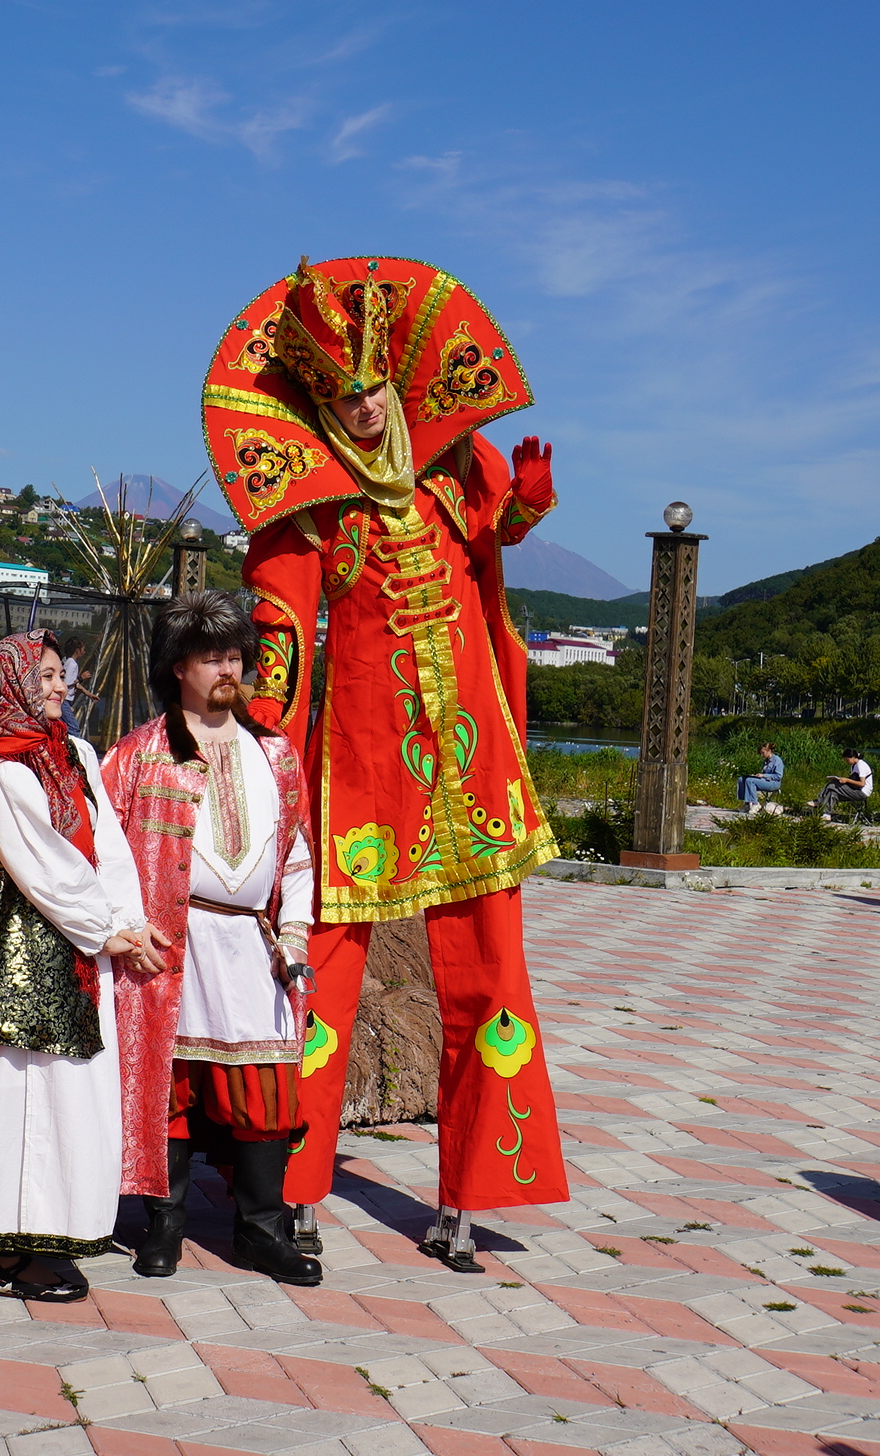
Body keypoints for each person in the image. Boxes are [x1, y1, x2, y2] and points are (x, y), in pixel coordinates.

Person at [210, 255, 568, 1269]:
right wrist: (248, 741)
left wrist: (528, 506)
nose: (363, 411)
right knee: (322, 984)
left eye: (370, 390)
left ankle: (469, 1196)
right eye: (341, 396)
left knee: (492, 979)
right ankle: (290, 1189)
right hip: (361, 771)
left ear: (394, 381)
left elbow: (495, 546)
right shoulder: (314, 508)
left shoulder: (462, 470)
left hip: (474, 771)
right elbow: (280, 631)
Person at [105, 592, 321, 1287]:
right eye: (210, 659)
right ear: (176, 669)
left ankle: (261, 1229)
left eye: (234, 657)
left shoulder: (279, 754)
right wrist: (120, 929)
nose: (228, 671)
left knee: (263, 1094)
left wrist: (294, 936)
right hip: (168, 950)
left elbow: (297, 854)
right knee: (168, 1089)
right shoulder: (139, 756)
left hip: (250, 947)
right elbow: (103, 852)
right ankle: (161, 1228)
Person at [0, 632, 150, 1302]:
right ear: (14, 682)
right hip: (13, 958)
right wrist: (104, 927)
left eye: (63, 675)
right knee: (15, 1094)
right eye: (49, 676)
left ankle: (47, 1231)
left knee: (68, 1095)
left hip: (76, 947)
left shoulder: (75, 755)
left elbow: (107, 846)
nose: (62, 686)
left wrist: (128, 920)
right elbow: (40, 862)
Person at [815, 749, 874, 821]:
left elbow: (862, 783)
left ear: (853, 757)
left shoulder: (861, 766)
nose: (847, 762)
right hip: (855, 789)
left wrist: (847, 780)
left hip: (862, 792)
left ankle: (819, 800)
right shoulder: (854, 765)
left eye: (847, 760)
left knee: (833, 784)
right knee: (832, 793)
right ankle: (826, 814)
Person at [738, 742, 785, 815]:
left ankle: (755, 803)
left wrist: (763, 776)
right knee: (742, 779)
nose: (762, 755)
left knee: (750, 781)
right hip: (765, 780)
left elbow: (778, 776)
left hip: (773, 782)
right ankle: (747, 803)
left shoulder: (777, 760)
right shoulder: (766, 761)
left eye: (763, 753)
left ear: (769, 751)